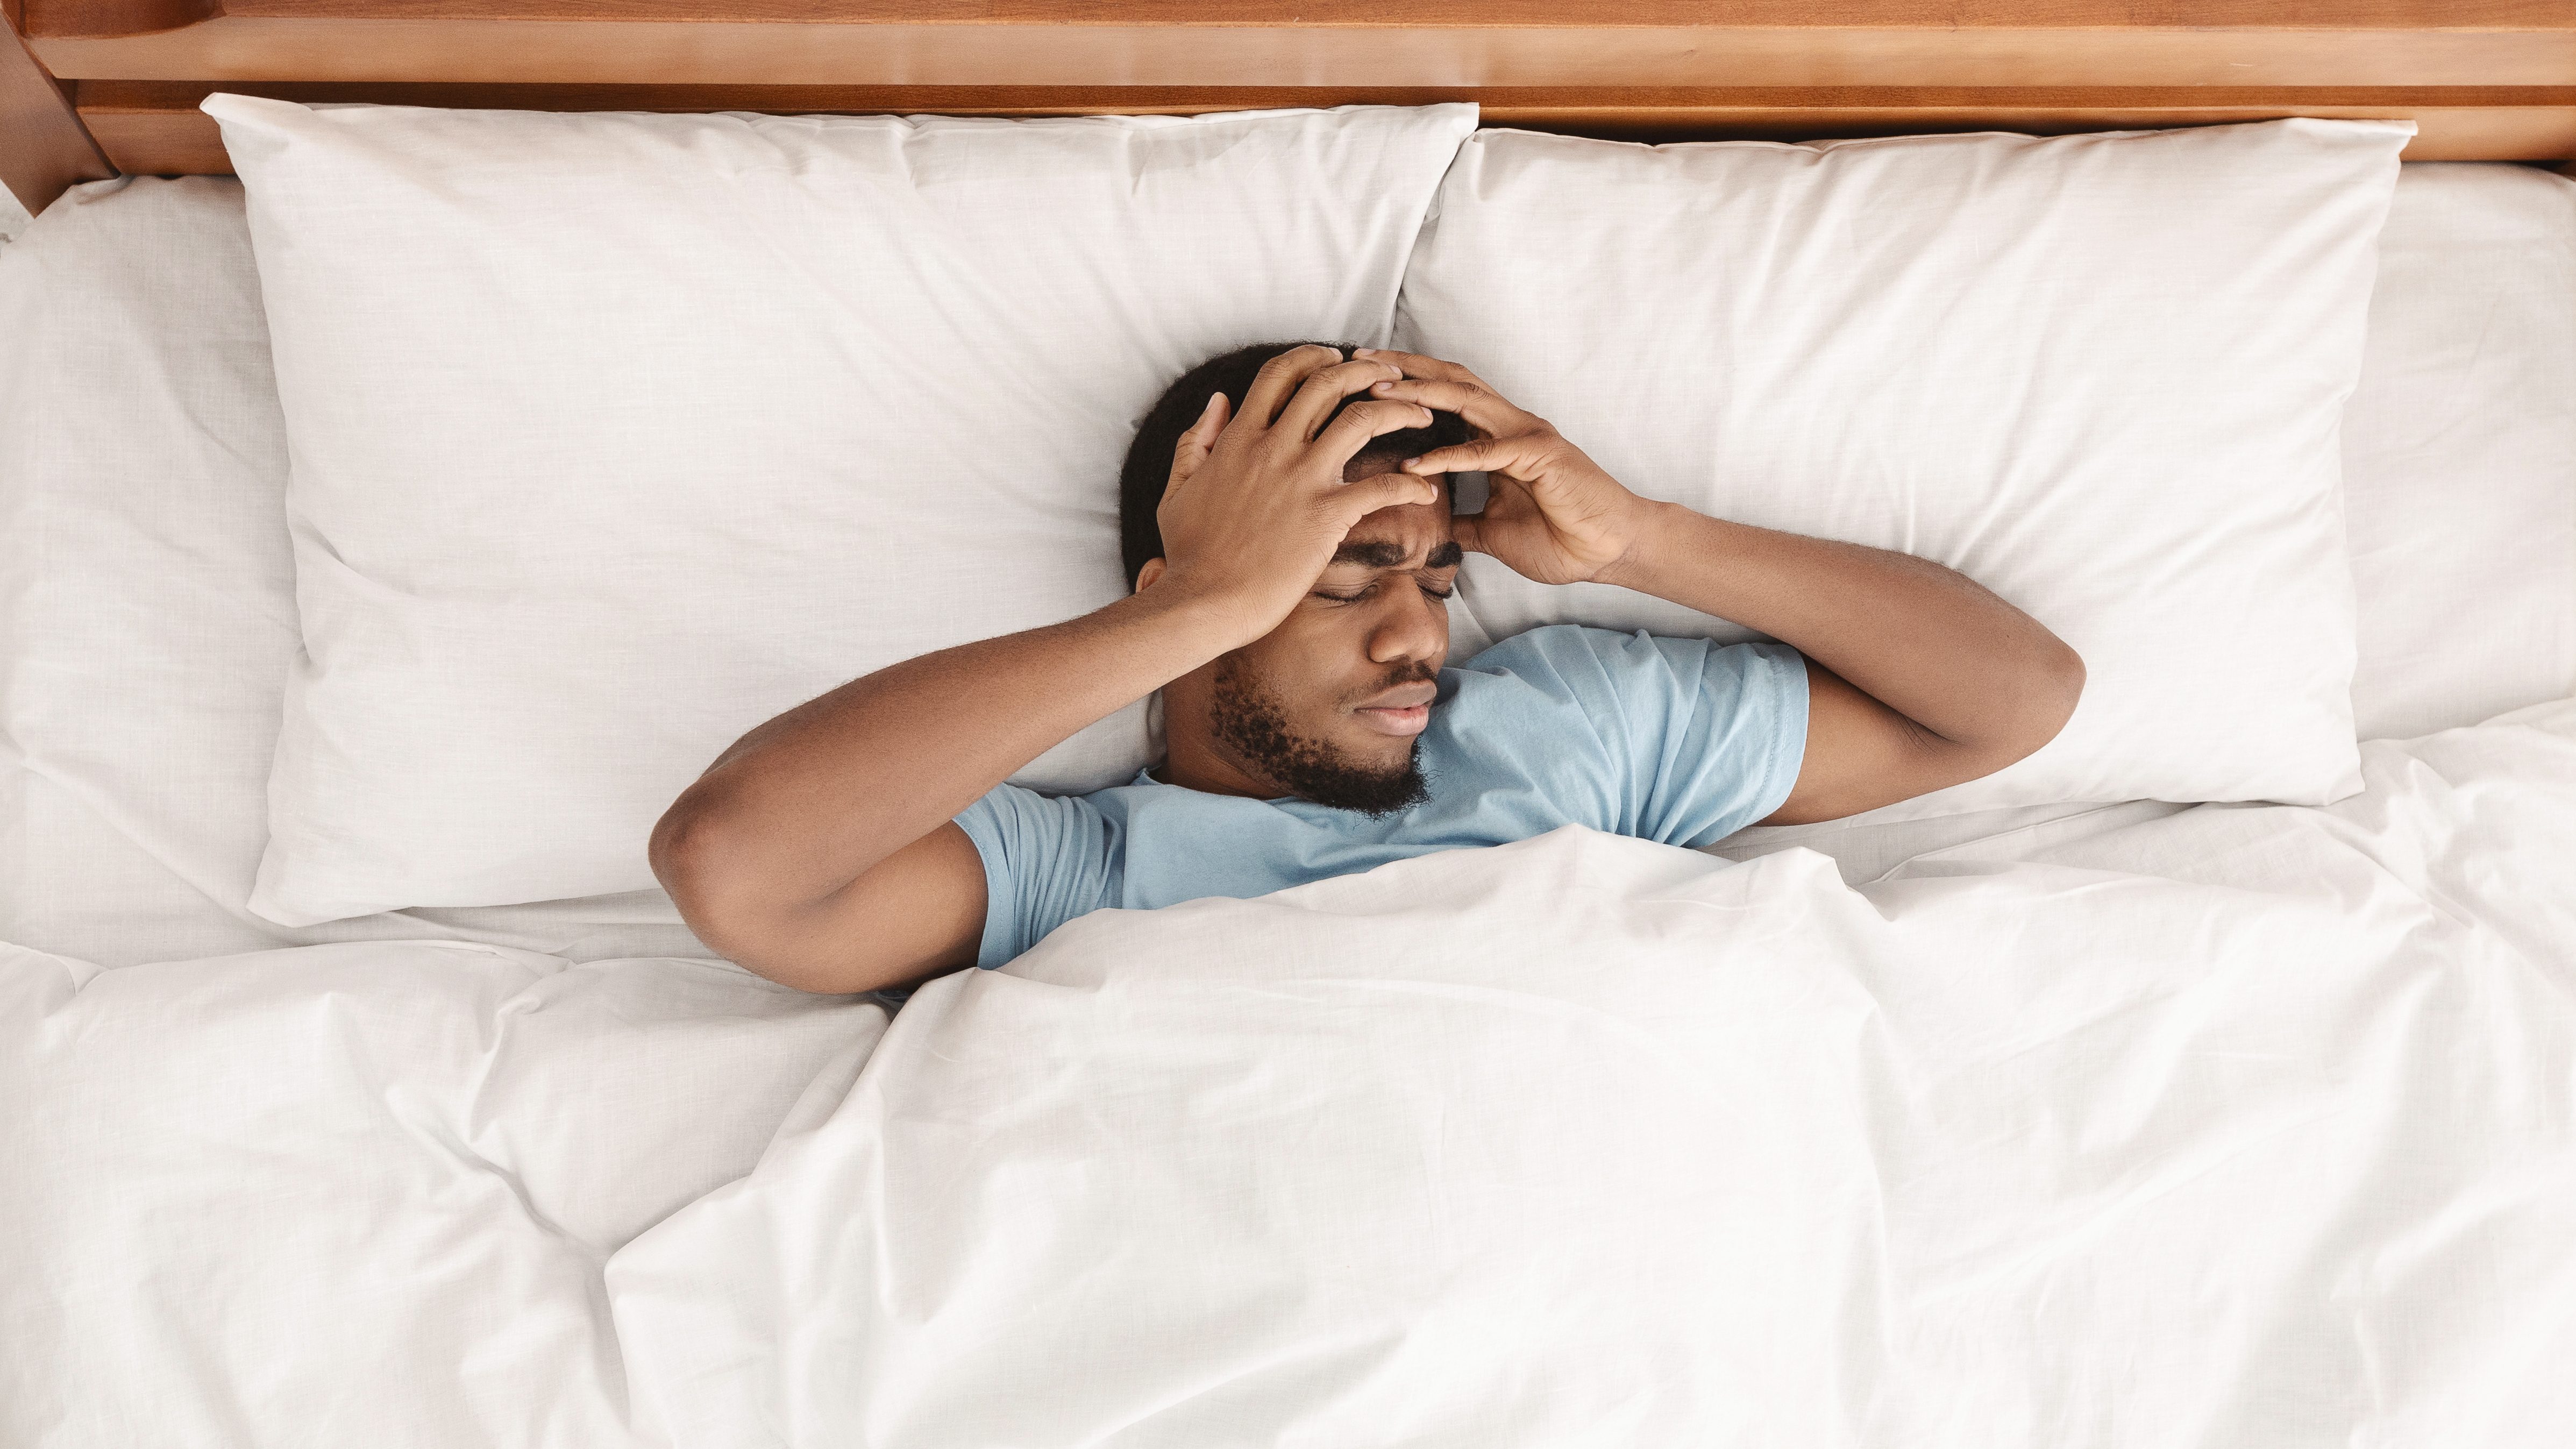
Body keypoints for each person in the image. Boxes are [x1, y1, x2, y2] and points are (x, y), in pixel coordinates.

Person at [651, 343, 2085, 996]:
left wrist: (1642, 538)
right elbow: (736, 864)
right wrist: (1195, 607)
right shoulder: (1084, 871)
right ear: (1188, 604)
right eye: (1342, 584)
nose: (1417, 638)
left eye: (1437, 582)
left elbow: (2013, 701)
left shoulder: (1577, 728)